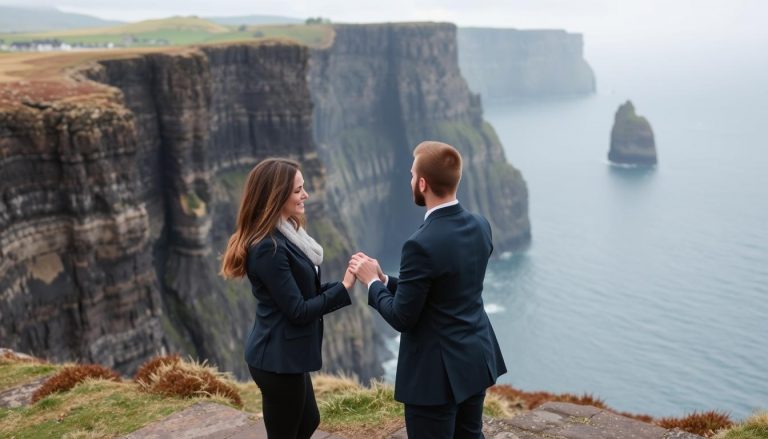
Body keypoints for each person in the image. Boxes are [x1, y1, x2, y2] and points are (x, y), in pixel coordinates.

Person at [349, 141, 507, 438]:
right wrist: (386, 281)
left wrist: (370, 282)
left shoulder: (420, 244)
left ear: (422, 183)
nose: (410, 180)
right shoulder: (480, 225)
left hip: (435, 377)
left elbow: (402, 317)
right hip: (474, 358)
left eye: (412, 175)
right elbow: (446, 288)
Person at [220, 157, 355, 439]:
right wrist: (343, 288)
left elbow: (304, 293)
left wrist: (346, 280)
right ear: (276, 195)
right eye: (297, 190)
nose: (305, 195)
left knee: (308, 421)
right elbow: (298, 310)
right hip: (276, 360)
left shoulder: (289, 235)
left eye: (303, 188)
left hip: (286, 355)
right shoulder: (268, 248)